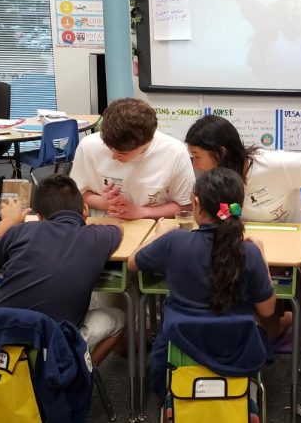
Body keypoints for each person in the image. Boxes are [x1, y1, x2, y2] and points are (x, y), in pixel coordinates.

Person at [128, 168, 277, 421]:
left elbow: (133, 262)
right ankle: (245, 399)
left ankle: (177, 396)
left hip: (180, 341)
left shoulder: (174, 241)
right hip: (236, 347)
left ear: (196, 203)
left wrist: (158, 236)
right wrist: (261, 256)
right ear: (238, 207)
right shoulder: (248, 252)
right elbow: (267, 310)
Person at [0, 174, 125, 365]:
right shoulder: (98, 238)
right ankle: (78, 378)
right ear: (84, 209)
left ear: (39, 216)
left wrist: (9, 221)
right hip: (53, 349)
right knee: (119, 318)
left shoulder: (21, 231)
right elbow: (118, 228)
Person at [186, 115, 301, 235]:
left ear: (220, 152)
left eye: (197, 156)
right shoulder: (216, 180)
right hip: (247, 245)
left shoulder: (275, 165)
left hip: (294, 240)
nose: (195, 165)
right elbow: (225, 216)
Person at [70, 98, 195, 220]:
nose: (114, 156)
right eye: (109, 148)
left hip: (153, 226)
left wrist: (141, 212)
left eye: (122, 153)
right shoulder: (88, 145)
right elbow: (76, 195)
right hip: (103, 225)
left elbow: (185, 206)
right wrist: (103, 202)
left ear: (147, 142)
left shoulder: (174, 152)